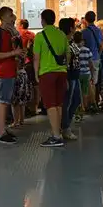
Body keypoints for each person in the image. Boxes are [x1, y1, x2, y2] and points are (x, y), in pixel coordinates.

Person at [34, 9, 69, 147]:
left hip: (47, 73)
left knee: (50, 105)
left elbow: (36, 58)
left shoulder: (40, 36)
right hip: (62, 72)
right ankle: (58, 132)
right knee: (59, 104)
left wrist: (36, 74)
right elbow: (68, 55)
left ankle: (56, 136)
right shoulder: (62, 34)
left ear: (42, 20)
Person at [0, 7, 24, 145]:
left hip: (11, 70)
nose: (14, 17)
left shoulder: (10, 33)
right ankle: (1, 131)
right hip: (4, 72)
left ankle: (3, 128)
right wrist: (13, 53)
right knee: (3, 101)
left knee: (6, 101)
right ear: (3, 18)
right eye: (11, 15)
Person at [60, 21, 82, 140]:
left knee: (76, 100)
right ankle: (65, 127)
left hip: (75, 75)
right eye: (74, 27)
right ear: (70, 28)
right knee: (67, 102)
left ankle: (65, 123)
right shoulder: (64, 43)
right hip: (69, 76)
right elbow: (66, 62)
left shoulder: (71, 41)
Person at [82, 11, 102, 114]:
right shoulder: (99, 31)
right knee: (94, 81)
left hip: (86, 58)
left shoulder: (84, 32)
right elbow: (101, 45)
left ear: (85, 19)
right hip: (96, 57)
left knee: (87, 82)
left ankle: (88, 104)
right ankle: (93, 102)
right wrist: (98, 54)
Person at [18, 19, 39, 115]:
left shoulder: (19, 33)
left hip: (24, 61)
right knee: (35, 86)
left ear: (21, 25)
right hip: (33, 61)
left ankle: (26, 107)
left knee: (26, 85)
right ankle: (35, 107)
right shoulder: (33, 34)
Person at [76, 31, 92, 118]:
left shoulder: (74, 49)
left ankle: (78, 107)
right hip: (86, 73)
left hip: (77, 73)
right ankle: (85, 107)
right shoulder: (87, 50)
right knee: (85, 91)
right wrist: (91, 71)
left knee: (77, 91)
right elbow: (90, 62)